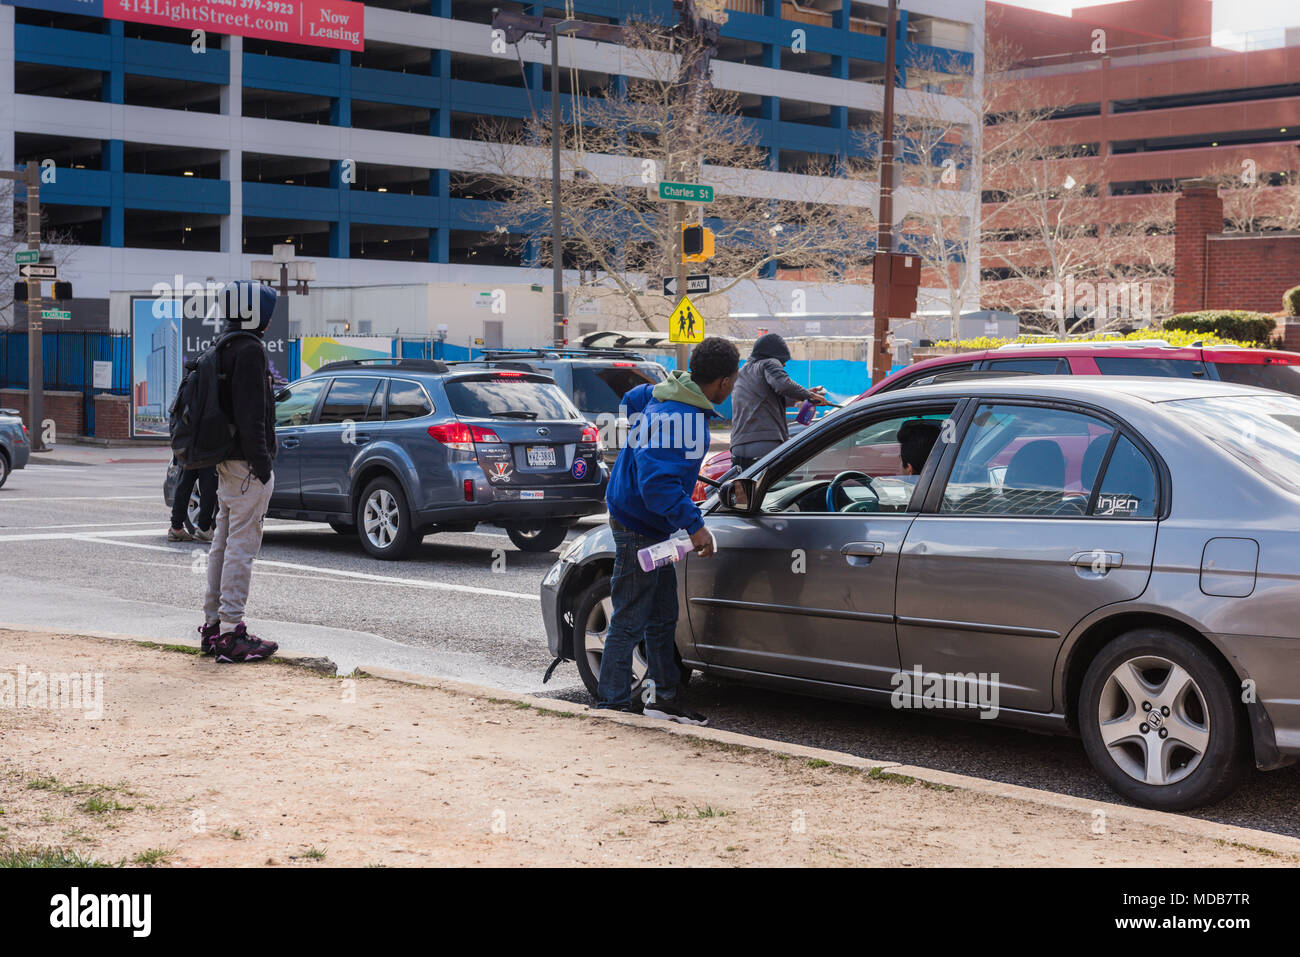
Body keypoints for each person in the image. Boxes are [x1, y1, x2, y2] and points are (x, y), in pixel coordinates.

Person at [598, 336, 740, 725]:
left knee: (662, 616)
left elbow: (633, 399)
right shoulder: (684, 417)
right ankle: (611, 706)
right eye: (735, 378)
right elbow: (657, 484)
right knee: (630, 616)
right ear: (724, 382)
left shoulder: (667, 394)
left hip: (651, 523)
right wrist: (695, 526)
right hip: (636, 524)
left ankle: (664, 699)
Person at [197, 280, 280, 664]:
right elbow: (252, 416)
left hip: (226, 462)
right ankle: (232, 632)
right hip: (246, 466)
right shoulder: (249, 351)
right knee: (241, 549)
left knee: (223, 543)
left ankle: (214, 626)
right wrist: (262, 465)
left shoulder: (222, 346)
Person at [729, 333, 828, 471]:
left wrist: (805, 395)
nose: (784, 364)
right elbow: (784, 385)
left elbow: (772, 397)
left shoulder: (742, 372)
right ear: (773, 355)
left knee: (746, 492)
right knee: (779, 489)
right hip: (765, 443)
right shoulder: (768, 363)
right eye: (783, 359)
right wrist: (809, 395)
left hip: (738, 447)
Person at [167, 464, 217, 542]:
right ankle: (204, 528)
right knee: (208, 486)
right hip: (209, 454)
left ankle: (176, 527)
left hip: (190, 454)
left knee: (185, 484)